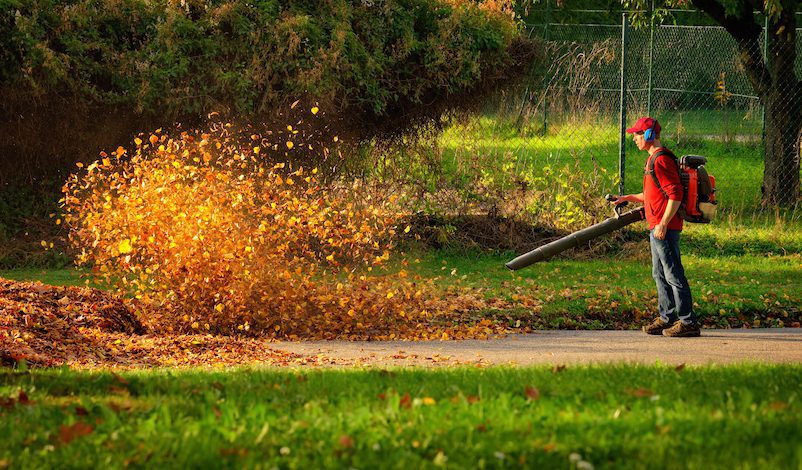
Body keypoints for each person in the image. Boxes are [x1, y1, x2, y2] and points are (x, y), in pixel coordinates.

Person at [612, 116, 700, 337]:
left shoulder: (660, 160)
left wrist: (663, 223)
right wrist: (627, 198)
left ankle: (687, 321)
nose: (634, 138)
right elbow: (654, 194)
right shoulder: (653, 160)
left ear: (649, 135)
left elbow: (675, 194)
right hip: (658, 227)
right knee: (659, 274)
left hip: (665, 228)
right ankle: (666, 317)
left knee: (673, 274)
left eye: (638, 134)